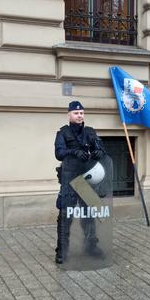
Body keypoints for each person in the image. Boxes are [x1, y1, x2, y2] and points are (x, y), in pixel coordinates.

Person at [54, 100, 106, 264]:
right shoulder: (62, 133)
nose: (79, 115)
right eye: (76, 113)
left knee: (89, 214)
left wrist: (98, 152)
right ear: (69, 115)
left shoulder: (90, 132)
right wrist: (74, 152)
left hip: (86, 179)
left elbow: (102, 149)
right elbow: (59, 153)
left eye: (82, 113)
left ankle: (91, 246)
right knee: (65, 216)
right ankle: (62, 250)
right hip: (69, 179)